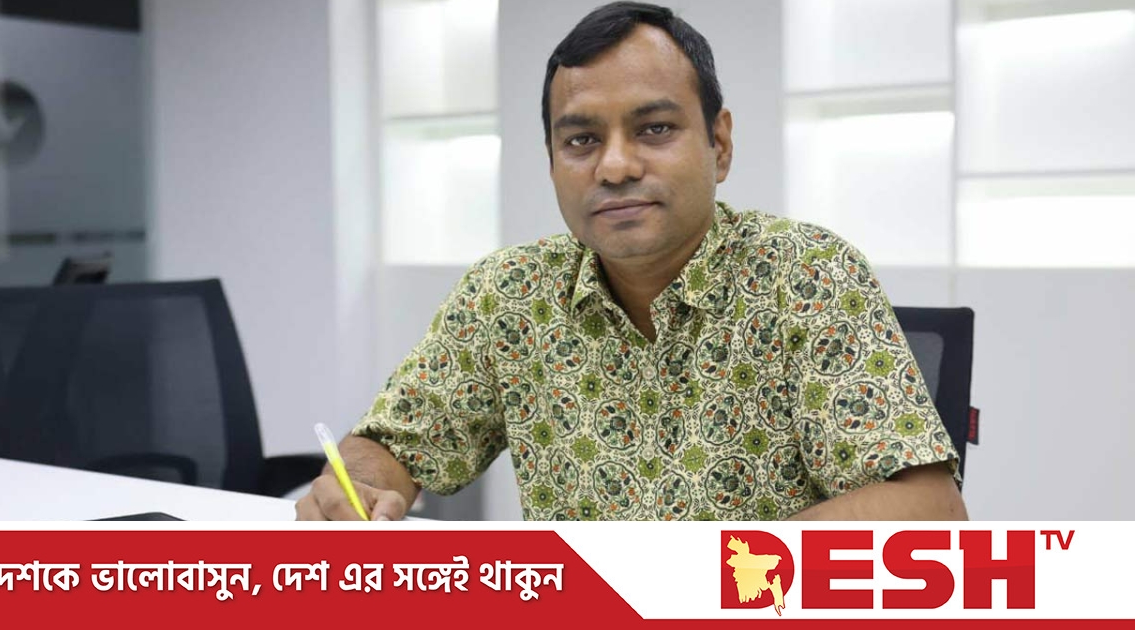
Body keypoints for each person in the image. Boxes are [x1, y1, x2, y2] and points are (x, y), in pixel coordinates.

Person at [296, 1, 967, 521]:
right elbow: (394, 445)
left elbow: (927, 511)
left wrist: (697, 581)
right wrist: (357, 486)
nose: (614, 167)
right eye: (581, 140)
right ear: (552, 162)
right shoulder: (508, 294)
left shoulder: (807, 274)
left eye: (655, 129)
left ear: (720, 144)